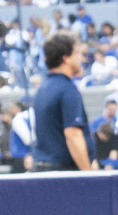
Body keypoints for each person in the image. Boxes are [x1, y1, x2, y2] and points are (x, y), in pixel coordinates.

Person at [31, 33, 93, 170]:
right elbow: (73, 135)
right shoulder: (67, 89)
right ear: (66, 58)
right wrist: (90, 176)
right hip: (63, 171)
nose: (80, 58)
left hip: (43, 168)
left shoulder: (42, 88)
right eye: (76, 54)